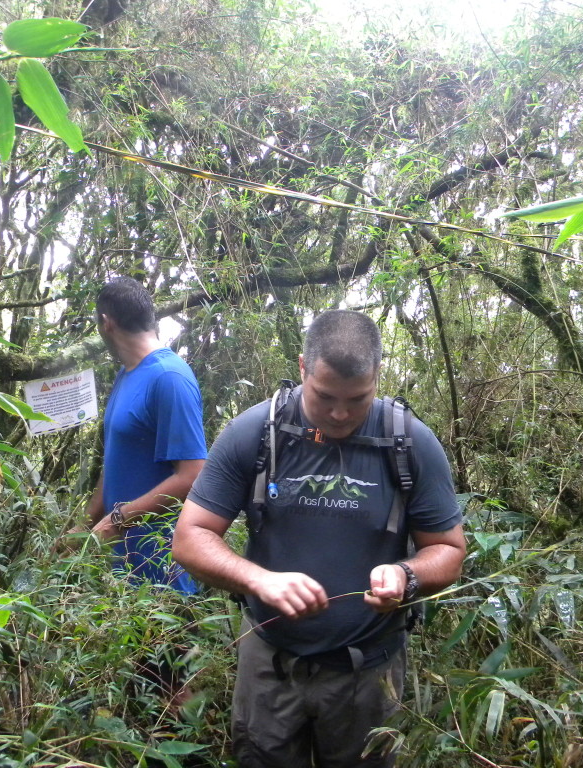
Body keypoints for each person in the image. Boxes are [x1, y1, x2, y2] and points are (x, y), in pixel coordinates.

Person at [173, 310, 466, 768]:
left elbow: (448, 550)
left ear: (377, 377)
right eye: (325, 396)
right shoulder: (256, 432)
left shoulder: (408, 441)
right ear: (303, 368)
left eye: (358, 399)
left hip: (366, 671)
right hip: (271, 666)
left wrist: (406, 575)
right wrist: (258, 580)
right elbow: (190, 537)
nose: (340, 414)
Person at [82, 276, 207, 595]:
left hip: (162, 568)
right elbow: (116, 461)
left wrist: (117, 519)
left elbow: (192, 475)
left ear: (106, 323)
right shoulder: (126, 374)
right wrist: (83, 526)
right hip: (123, 569)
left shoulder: (169, 378)